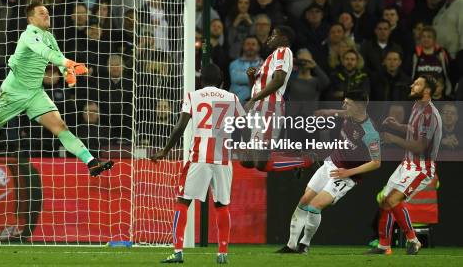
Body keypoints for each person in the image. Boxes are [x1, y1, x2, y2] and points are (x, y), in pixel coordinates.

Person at [0, 1, 113, 177]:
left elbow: (58, 56)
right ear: (31, 19)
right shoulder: (28, 35)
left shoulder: (49, 37)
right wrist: (69, 64)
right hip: (13, 93)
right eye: (41, 13)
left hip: (35, 93)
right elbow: (45, 53)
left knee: (61, 127)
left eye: (47, 12)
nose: (47, 15)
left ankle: (91, 162)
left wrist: (66, 72)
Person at [151, 64, 244, 265]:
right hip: (223, 159)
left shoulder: (194, 96)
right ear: (221, 81)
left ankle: (177, 252)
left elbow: (180, 126)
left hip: (199, 158)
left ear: (201, 80)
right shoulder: (232, 98)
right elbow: (243, 127)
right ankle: (222, 253)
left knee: (183, 201)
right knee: (222, 205)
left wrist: (165, 151)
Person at [278, 90, 381, 254]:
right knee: (304, 200)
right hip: (330, 163)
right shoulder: (349, 115)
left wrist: (348, 173)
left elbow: (376, 163)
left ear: (360, 106)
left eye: (348, 103)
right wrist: (328, 112)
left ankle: (304, 244)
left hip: (346, 175)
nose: (344, 106)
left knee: (314, 206)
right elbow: (341, 112)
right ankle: (290, 245)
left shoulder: (370, 132)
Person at [368, 76, 442, 255]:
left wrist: (393, 138)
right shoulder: (417, 106)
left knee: (393, 200)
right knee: (385, 201)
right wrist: (398, 126)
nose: (411, 85)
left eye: (416, 84)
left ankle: (413, 241)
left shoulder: (430, 114)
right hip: (406, 164)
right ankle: (384, 246)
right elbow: (413, 131)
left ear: (426, 91)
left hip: (420, 168)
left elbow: (420, 146)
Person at [243, 26, 315, 173]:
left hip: (268, 105)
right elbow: (258, 86)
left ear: (284, 39)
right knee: (247, 161)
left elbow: (279, 80)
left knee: (259, 163)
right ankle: (293, 156)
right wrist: (251, 78)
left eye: (273, 35)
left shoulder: (283, 51)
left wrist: (253, 99)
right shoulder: (271, 58)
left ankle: (306, 159)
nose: (269, 38)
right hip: (259, 105)